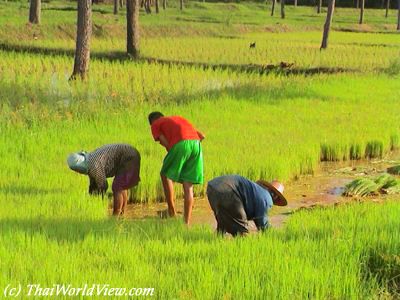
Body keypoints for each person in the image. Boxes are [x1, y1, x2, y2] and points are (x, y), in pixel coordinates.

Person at [148, 111, 205, 225]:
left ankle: (171, 212)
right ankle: (186, 223)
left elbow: (165, 143)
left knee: (165, 175)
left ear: (152, 122)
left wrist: (176, 152)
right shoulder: (177, 118)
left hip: (181, 143)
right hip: (196, 145)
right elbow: (202, 136)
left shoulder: (155, 124)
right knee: (188, 185)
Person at [67, 144, 141, 216]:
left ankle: (115, 217)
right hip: (130, 153)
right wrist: (91, 193)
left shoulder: (93, 166)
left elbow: (103, 185)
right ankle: (121, 214)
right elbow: (93, 181)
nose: (77, 172)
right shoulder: (90, 159)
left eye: (77, 170)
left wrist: (99, 200)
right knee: (121, 186)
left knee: (117, 187)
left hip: (128, 158)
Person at [206, 175, 287, 236]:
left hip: (212, 187)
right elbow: (262, 224)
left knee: (223, 220)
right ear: (276, 196)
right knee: (242, 232)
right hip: (229, 191)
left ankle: (215, 241)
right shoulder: (267, 199)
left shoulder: (258, 191)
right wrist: (274, 235)